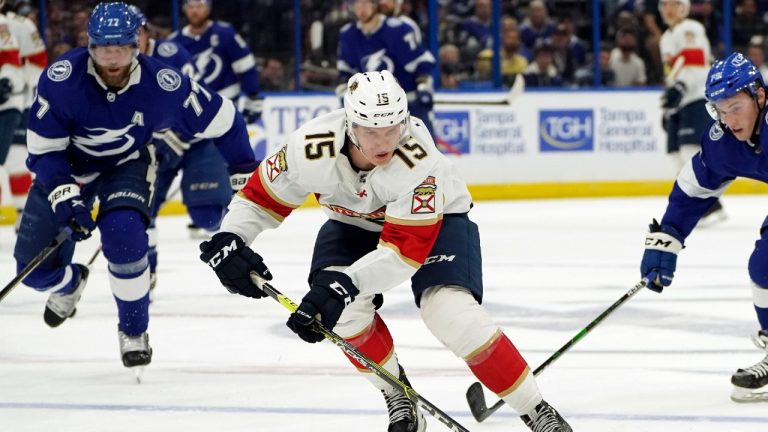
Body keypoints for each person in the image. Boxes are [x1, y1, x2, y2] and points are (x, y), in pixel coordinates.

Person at [199, 70, 572, 431]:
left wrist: (344, 284)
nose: (383, 142)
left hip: (438, 225)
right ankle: (398, 396)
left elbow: (402, 253)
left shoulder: (420, 162)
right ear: (349, 123)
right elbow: (259, 199)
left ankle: (537, 411)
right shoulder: (310, 147)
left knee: (450, 312)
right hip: (351, 225)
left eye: (393, 128)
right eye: (371, 131)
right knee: (343, 316)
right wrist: (231, 236)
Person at [13, 2, 254, 371]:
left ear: (137, 47)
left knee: (123, 234)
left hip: (127, 163)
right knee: (36, 272)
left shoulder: (162, 84)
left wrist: (242, 172)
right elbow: (44, 152)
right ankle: (69, 283)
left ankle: (134, 330)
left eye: (122, 48)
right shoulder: (61, 81)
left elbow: (225, 119)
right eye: (104, 49)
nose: (113, 59)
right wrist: (65, 196)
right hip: (68, 167)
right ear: (90, 46)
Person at [640, 52, 768, 403]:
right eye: (720, 110)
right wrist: (668, 236)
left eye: (735, 107)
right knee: (764, 266)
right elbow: (693, 190)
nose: (728, 120)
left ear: (759, 95)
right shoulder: (723, 141)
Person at [129, 5, 258, 298]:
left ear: (148, 32)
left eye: (135, 34)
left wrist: (180, 133)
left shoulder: (173, 55)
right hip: (154, 149)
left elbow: (197, 100)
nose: (130, 43)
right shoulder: (117, 67)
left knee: (208, 216)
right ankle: (145, 270)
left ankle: (234, 236)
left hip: (198, 141)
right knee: (138, 214)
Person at [658, 0, 725, 225]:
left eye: (675, 4)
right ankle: (707, 204)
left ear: (684, 8)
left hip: (695, 96)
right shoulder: (666, 37)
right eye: (665, 4)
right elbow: (674, 70)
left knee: (690, 150)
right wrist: (670, 101)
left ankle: (710, 206)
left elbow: (695, 64)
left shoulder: (690, 29)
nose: (669, 8)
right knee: (674, 152)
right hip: (680, 100)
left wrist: (680, 87)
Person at [337, 0, 437, 135]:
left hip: (406, 102)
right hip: (371, 108)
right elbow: (346, 71)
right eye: (358, 6)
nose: (362, 10)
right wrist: (346, 90)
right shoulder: (348, 34)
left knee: (425, 149)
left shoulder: (398, 29)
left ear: (374, 6)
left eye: (365, 5)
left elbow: (421, 62)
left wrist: (423, 85)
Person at [168, 0, 262, 124]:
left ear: (208, 9)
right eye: (191, 6)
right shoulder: (174, 41)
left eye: (199, 6)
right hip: (192, 113)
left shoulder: (225, 34)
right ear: (185, 9)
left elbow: (246, 67)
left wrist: (253, 97)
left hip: (225, 107)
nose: (195, 11)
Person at [1, 0, 46, 232]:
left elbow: (38, 62)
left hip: (16, 101)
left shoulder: (22, 25)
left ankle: (23, 214)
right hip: (15, 100)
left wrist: (15, 85)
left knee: (17, 159)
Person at [0, 1, 24, 224]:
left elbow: (9, 59)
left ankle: (23, 215)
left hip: (7, 105)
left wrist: (5, 81)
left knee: (15, 159)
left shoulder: (2, 23)